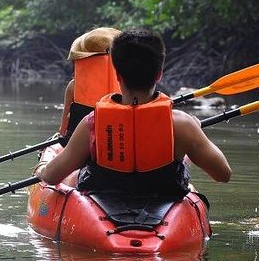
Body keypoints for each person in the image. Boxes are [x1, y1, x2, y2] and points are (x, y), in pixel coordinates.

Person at [37, 27, 231, 196]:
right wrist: (194, 132)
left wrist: (42, 169)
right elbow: (223, 174)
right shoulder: (182, 124)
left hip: (106, 200)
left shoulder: (92, 123)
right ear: (159, 74)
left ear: (118, 75)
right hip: (162, 199)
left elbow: (52, 176)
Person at [58, 27, 122, 136]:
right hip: (116, 139)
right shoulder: (126, 84)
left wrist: (59, 136)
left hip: (80, 143)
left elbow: (64, 127)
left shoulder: (74, 86)